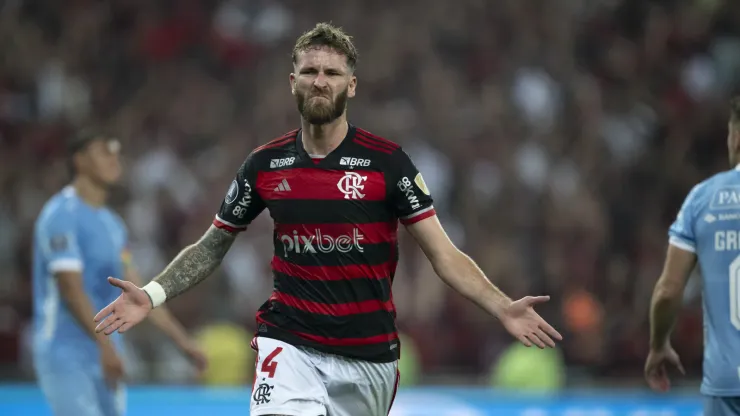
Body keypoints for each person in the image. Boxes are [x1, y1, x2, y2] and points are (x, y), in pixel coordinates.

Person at [93, 23, 562, 416]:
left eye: (333, 73)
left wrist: (501, 306)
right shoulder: (265, 164)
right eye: (311, 71)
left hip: (369, 360)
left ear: (351, 85)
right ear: (292, 81)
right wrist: (153, 294)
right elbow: (212, 244)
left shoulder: (388, 163)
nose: (321, 81)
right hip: (290, 342)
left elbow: (443, 255)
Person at [32, 130, 207, 416]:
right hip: (66, 352)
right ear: (80, 161)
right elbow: (71, 290)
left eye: (116, 153)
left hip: (107, 353)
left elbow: (139, 292)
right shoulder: (60, 215)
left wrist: (183, 343)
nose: (115, 159)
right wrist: (106, 348)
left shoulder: (114, 225)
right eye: (104, 152)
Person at [645, 96, 740, 415]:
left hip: (727, 383)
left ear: (736, 136)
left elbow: (668, 291)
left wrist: (659, 345)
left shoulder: (703, 199)